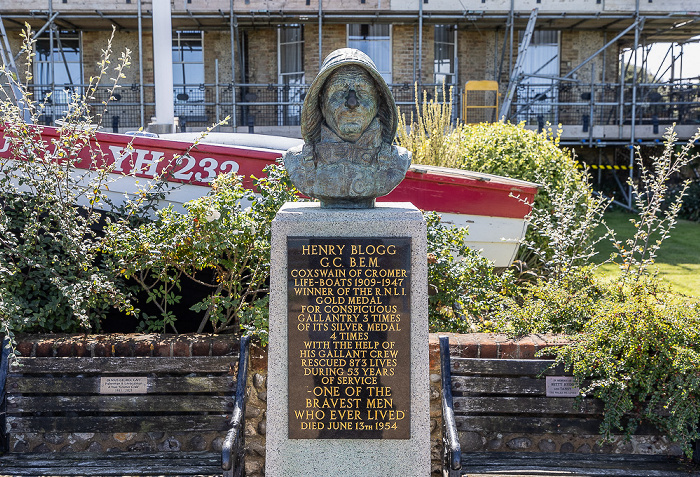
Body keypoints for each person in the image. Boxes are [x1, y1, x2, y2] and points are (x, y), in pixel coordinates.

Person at [284, 48, 411, 208]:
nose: (352, 102)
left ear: (378, 102)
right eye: (339, 92)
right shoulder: (298, 160)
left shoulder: (397, 160)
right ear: (321, 103)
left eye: (362, 92)